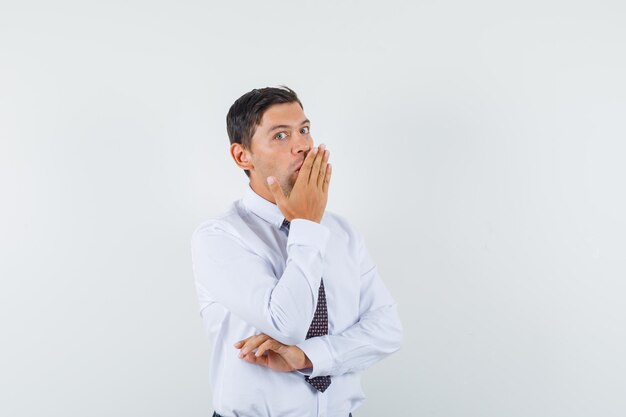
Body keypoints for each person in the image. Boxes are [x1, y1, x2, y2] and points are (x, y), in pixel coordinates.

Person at [191, 86, 403, 417]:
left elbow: (388, 328)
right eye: (280, 135)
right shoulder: (220, 236)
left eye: (304, 130)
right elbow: (285, 324)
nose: (303, 144)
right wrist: (306, 225)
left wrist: (308, 357)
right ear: (242, 156)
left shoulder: (341, 232)